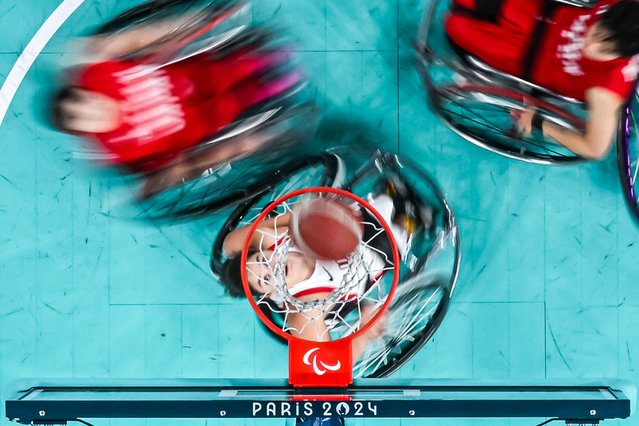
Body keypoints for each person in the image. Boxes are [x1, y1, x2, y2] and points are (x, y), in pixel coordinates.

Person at [52, 8, 301, 195]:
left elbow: (139, 39)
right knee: (247, 98)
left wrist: (193, 22)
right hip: (209, 120)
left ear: (87, 93)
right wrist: (242, 147)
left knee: (236, 67)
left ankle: (270, 59)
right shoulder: (119, 152)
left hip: (198, 72)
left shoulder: (99, 75)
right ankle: (279, 84)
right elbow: (178, 166)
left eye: (86, 102)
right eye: (85, 119)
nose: (94, 111)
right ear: (85, 132)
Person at [217, 182, 433, 353]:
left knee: (385, 201)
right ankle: (407, 222)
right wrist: (364, 334)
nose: (271, 270)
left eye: (263, 261)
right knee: (407, 215)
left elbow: (231, 243)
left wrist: (310, 214)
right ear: (269, 293)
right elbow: (327, 370)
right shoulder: (304, 310)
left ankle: (383, 204)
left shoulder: (269, 238)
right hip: (371, 256)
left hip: (349, 229)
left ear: (265, 251)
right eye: (265, 280)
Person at [445, 0, 639, 159]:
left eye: (604, 50)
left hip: (525, 57)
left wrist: (540, 123)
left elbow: (595, 149)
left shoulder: (609, 88)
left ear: (621, 55)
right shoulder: (623, 7)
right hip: (537, 14)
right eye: (597, 31)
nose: (590, 44)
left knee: (454, 25)